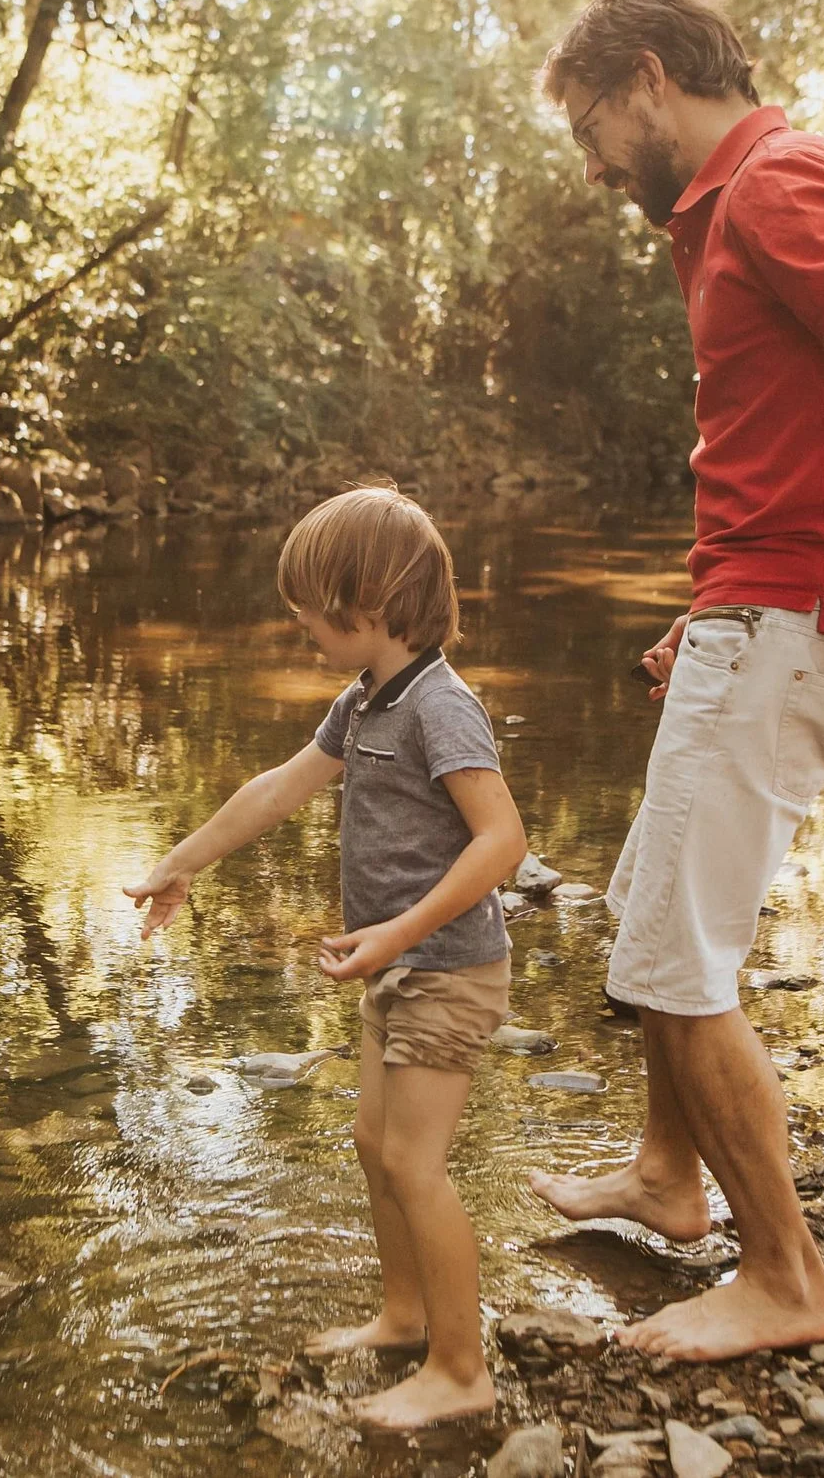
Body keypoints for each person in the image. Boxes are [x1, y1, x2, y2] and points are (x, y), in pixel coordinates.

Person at [526, 0, 824, 1361]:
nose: (594, 161)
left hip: (800, 617)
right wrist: (712, 605)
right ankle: (672, 1176)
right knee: (650, 898)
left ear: (648, 74)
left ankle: (786, 1274)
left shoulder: (779, 182)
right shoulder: (721, 216)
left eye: (593, 124)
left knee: (677, 956)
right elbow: (789, 443)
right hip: (754, 609)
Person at [123, 486, 527, 1429]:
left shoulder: (442, 707)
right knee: (371, 1144)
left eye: (310, 608)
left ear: (369, 606)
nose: (301, 623)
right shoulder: (363, 701)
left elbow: (502, 840)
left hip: (448, 968)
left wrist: (397, 931)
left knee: (416, 1163)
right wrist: (180, 862)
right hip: (396, 965)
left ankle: (461, 1368)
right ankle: (404, 1312)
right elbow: (279, 788)